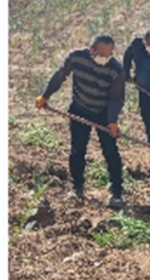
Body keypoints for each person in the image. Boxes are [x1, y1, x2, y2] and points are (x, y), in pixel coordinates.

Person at [35, 33, 126, 209]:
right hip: (79, 109)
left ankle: (117, 193)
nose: (106, 58)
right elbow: (60, 75)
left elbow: (116, 99)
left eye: (110, 54)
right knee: (78, 150)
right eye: (102, 54)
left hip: (103, 113)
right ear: (92, 51)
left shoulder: (116, 70)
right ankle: (77, 187)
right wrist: (45, 96)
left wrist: (112, 121)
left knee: (111, 152)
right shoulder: (76, 57)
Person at [123, 28, 150, 143]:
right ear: (144, 42)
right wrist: (126, 73)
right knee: (146, 111)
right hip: (143, 86)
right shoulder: (136, 45)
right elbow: (127, 56)